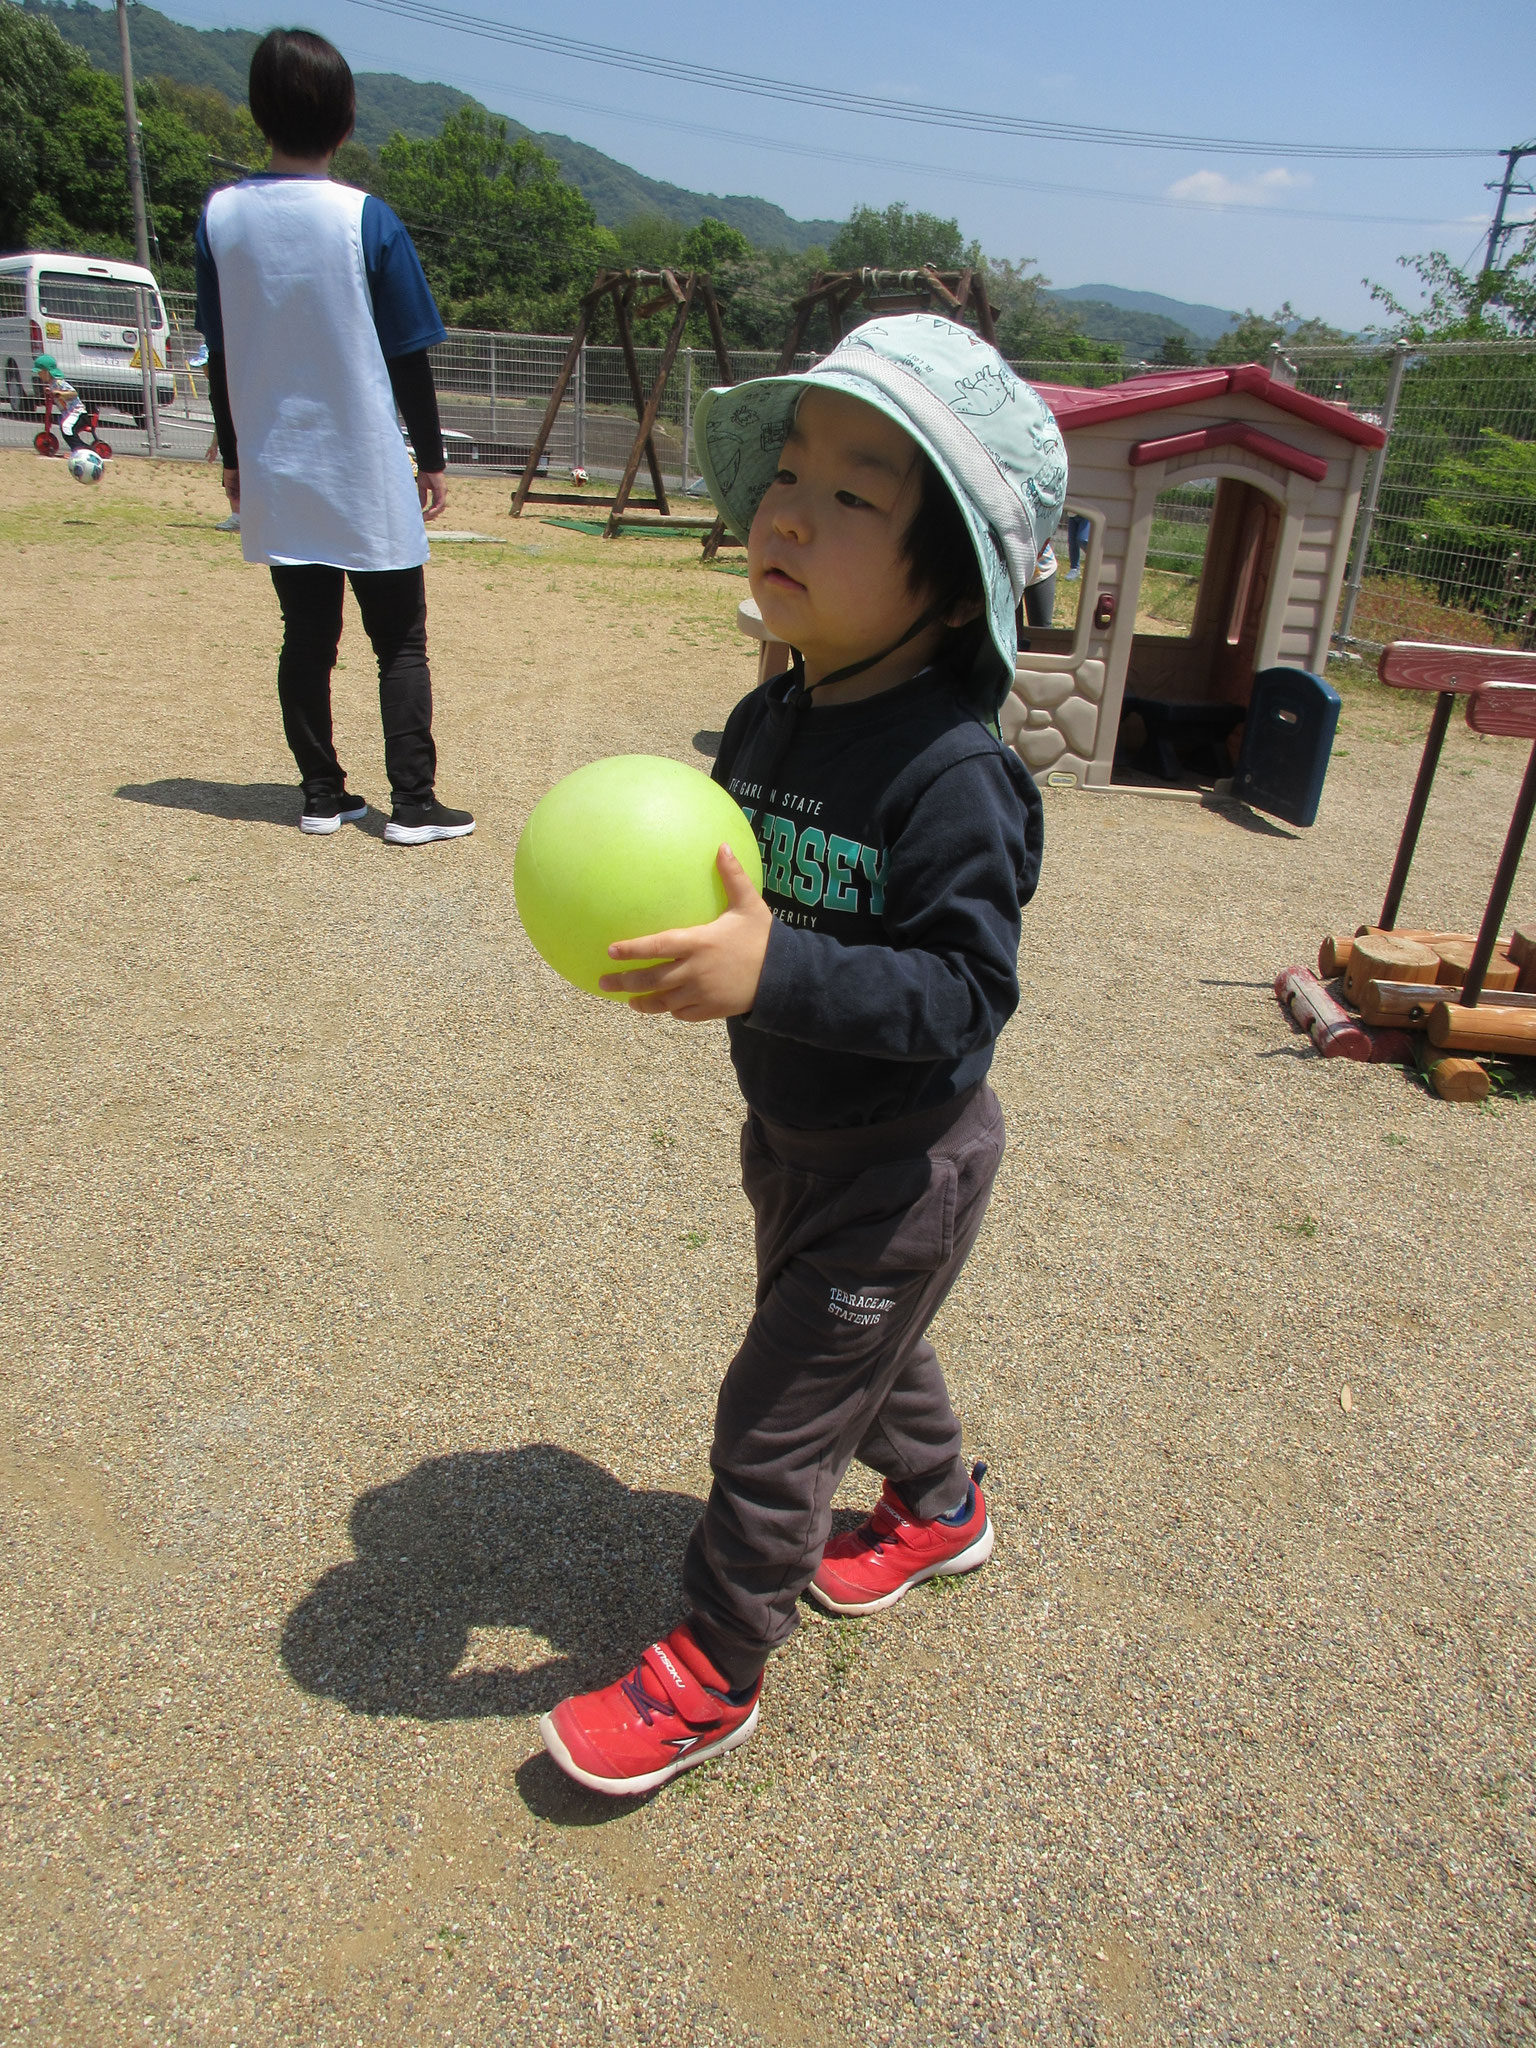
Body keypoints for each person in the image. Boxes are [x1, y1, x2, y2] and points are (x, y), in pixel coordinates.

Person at [539, 314, 1066, 1796]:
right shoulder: (768, 717)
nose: (787, 511)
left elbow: (965, 995)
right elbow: (725, 877)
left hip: (905, 1163)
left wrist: (773, 967)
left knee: (776, 1419)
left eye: (849, 494)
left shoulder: (955, 778)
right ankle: (943, 1508)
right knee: (865, 1355)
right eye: (786, 474)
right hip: (795, 1131)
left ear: (948, 589)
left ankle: (718, 1662)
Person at [194, 28, 473, 844]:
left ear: (258, 112)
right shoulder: (365, 218)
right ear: (347, 120)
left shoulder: (221, 218)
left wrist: (235, 459)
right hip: (364, 462)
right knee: (400, 641)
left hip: (278, 463)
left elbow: (219, 352)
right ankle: (413, 805)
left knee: (307, 636)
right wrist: (432, 457)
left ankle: (322, 793)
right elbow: (409, 353)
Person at [32, 355, 89, 450]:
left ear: (47, 372)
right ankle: (77, 448)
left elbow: (74, 393)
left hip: (78, 413)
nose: (38, 374)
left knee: (66, 427)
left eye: (40, 372)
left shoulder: (59, 383)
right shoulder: (52, 384)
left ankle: (81, 448)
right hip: (68, 413)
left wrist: (60, 393)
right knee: (64, 427)